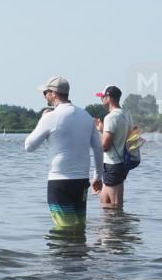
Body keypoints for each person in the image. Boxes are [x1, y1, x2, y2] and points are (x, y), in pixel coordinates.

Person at [24, 76, 103, 229]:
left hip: (59, 182)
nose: (44, 96)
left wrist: (42, 120)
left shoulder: (51, 117)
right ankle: (79, 253)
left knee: (64, 230)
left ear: (53, 93)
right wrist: (98, 177)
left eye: (45, 92)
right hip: (81, 182)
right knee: (79, 228)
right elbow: (98, 148)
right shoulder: (86, 116)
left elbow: (29, 146)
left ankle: (65, 253)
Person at [96, 84, 133, 209]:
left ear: (109, 97)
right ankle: (110, 228)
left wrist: (97, 137)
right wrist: (103, 130)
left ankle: (118, 228)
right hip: (121, 163)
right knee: (105, 203)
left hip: (114, 164)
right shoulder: (126, 114)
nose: (101, 99)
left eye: (102, 97)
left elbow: (106, 146)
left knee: (116, 206)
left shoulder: (111, 117)